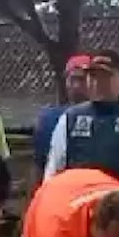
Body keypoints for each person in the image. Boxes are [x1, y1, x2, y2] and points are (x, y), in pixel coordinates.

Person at [43, 49, 119, 202]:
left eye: (105, 76)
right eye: (92, 76)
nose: (97, 82)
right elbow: (53, 172)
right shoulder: (70, 119)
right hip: (78, 212)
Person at [31, 54, 91, 194]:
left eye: (82, 79)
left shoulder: (105, 118)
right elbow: (39, 164)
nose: (76, 86)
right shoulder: (49, 118)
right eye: (72, 79)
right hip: (58, 191)